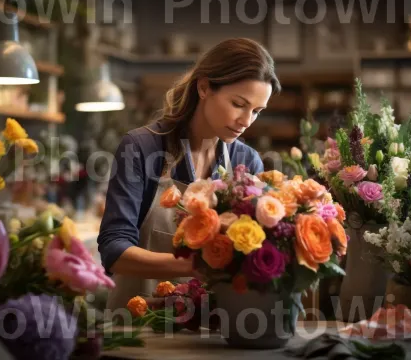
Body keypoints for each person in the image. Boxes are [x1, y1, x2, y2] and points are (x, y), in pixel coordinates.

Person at [97, 38, 281, 311]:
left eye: (256, 111)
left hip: (214, 327)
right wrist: (196, 267)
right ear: (204, 87)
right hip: (138, 323)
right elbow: (114, 251)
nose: (246, 121)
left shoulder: (246, 162)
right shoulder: (142, 148)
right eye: (238, 104)